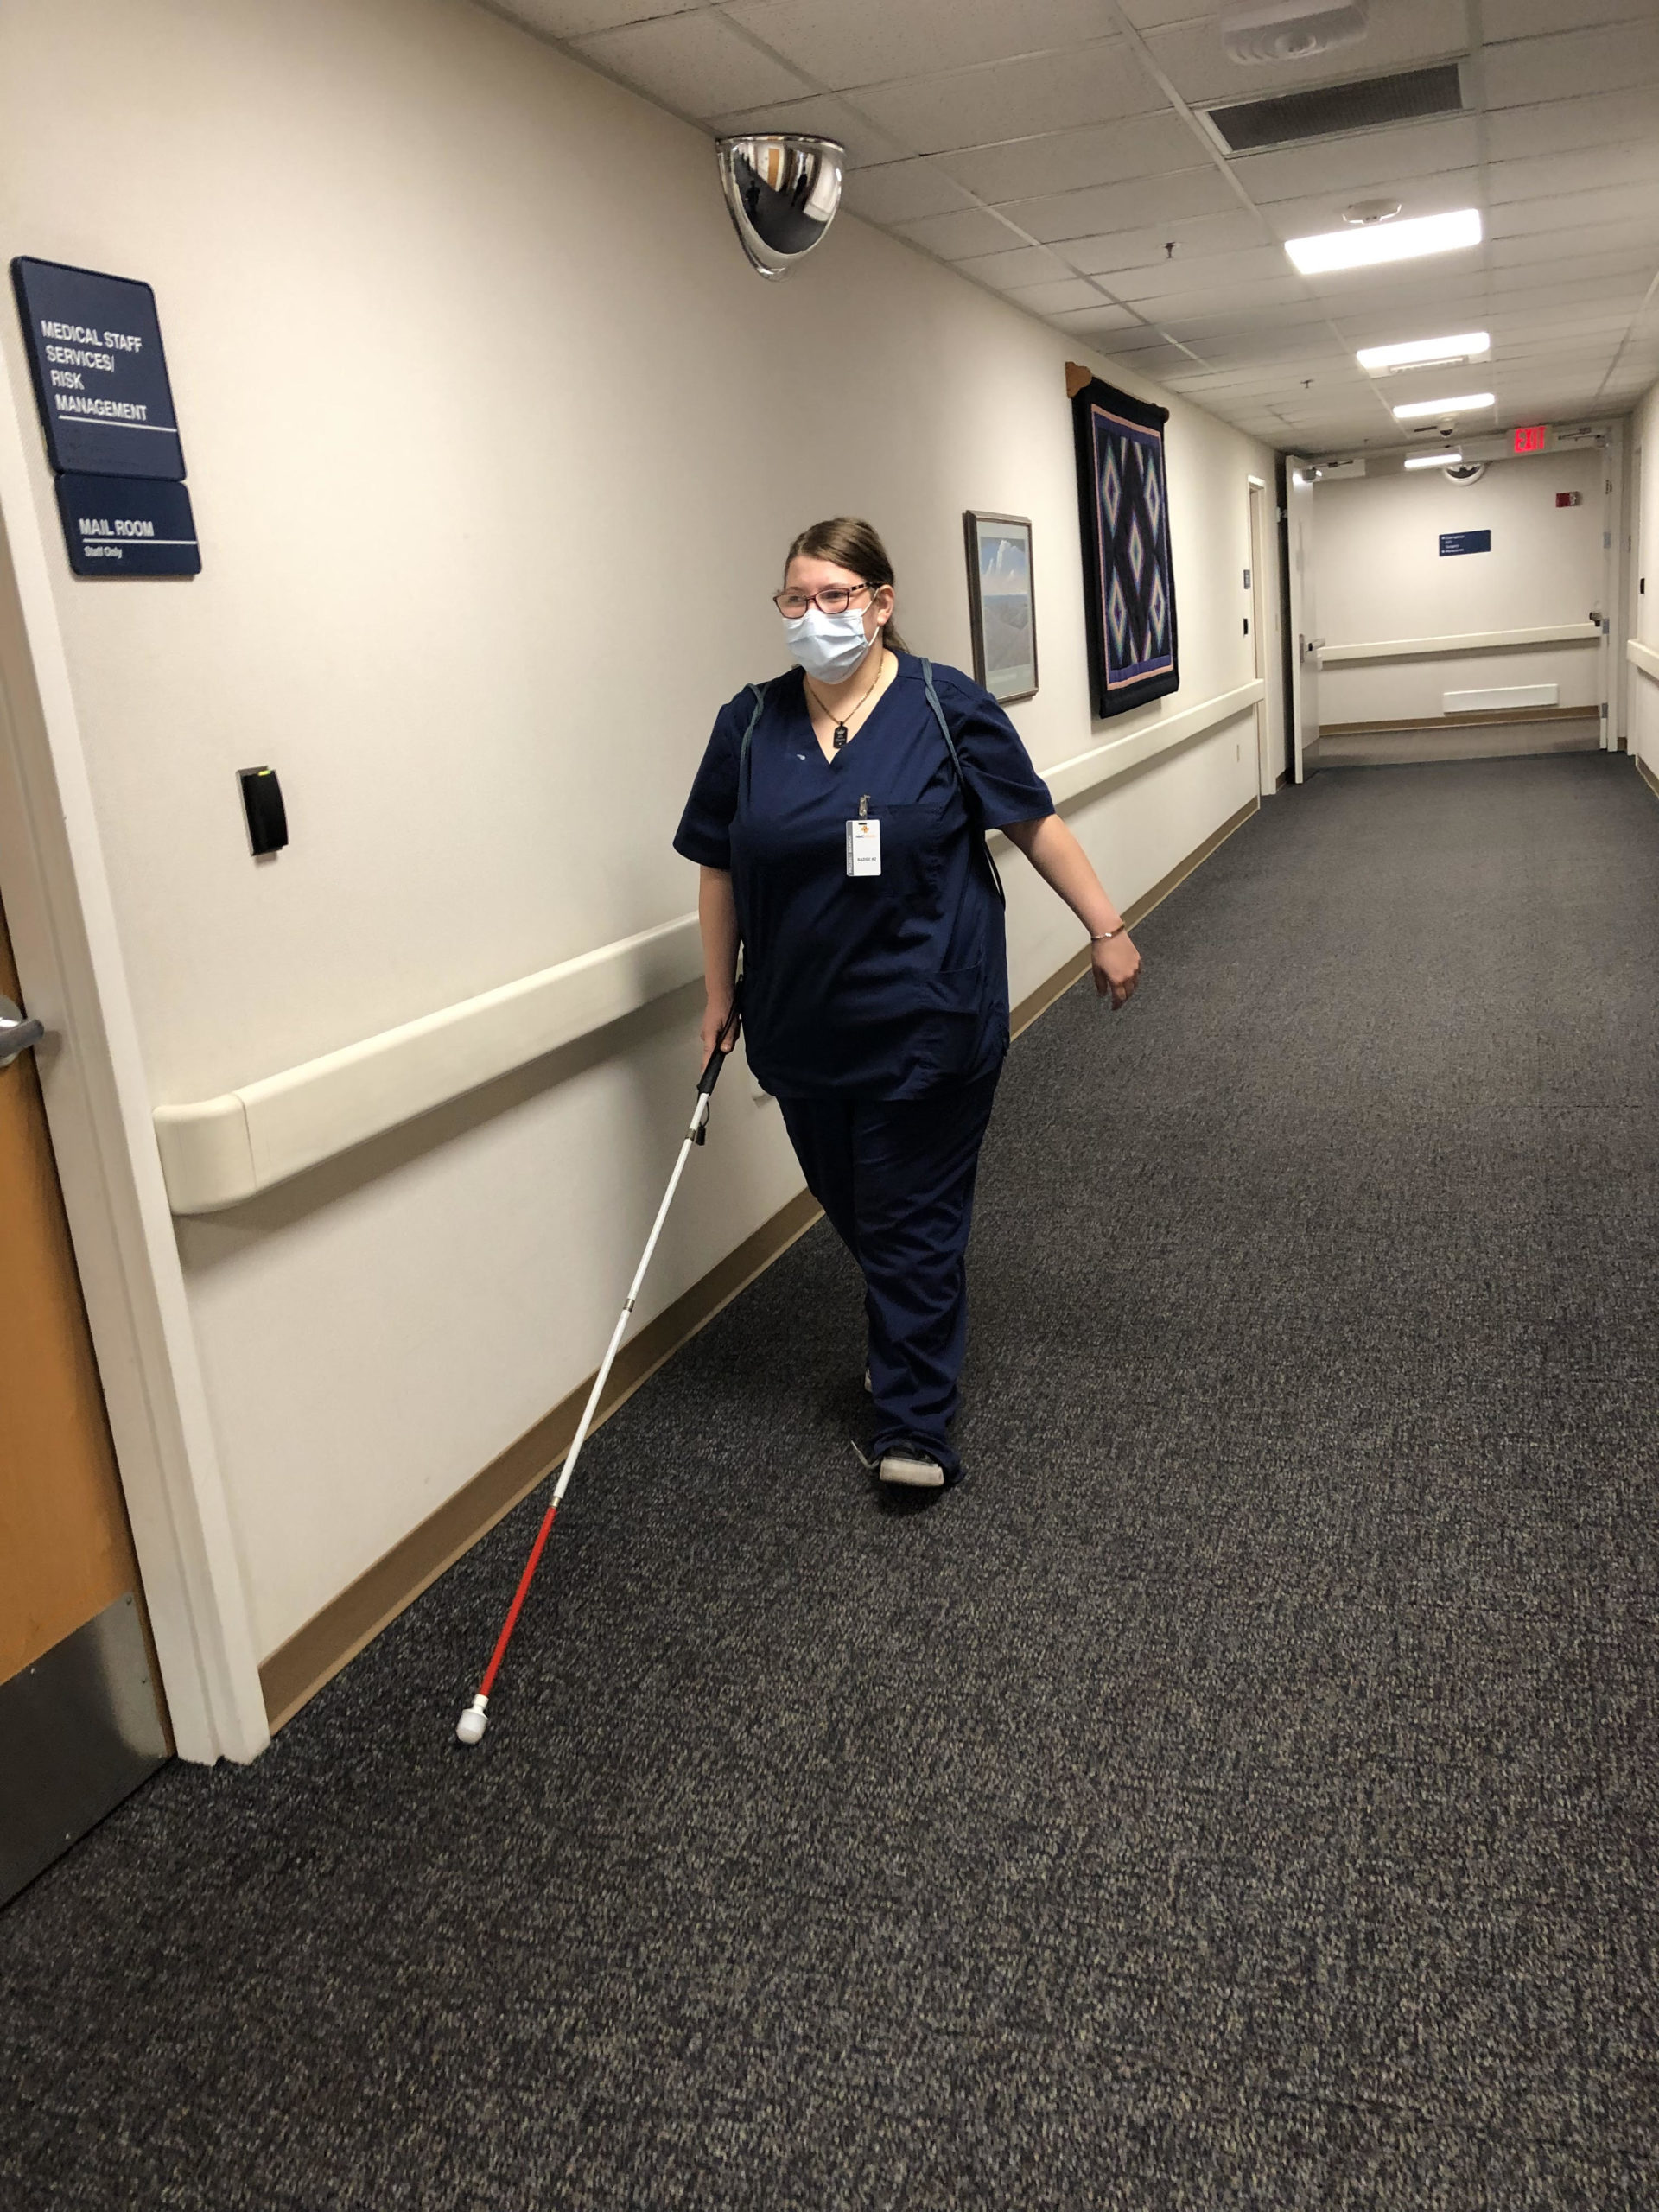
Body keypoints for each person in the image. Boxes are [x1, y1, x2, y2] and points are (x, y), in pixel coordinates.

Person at [674, 517, 1141, 1491]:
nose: (815, 616)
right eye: (796, 598)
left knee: (910, 1213)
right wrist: (721, 992)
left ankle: (914, 1425)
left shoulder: (942, 705)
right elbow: (719, 864)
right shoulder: (749, 725)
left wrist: (1107, 925)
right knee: (865, 1209)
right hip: (802, 1030)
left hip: (932, 1016)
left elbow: (1032, 820)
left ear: (883, 604)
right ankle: (912, 1317)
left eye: (836, 596)